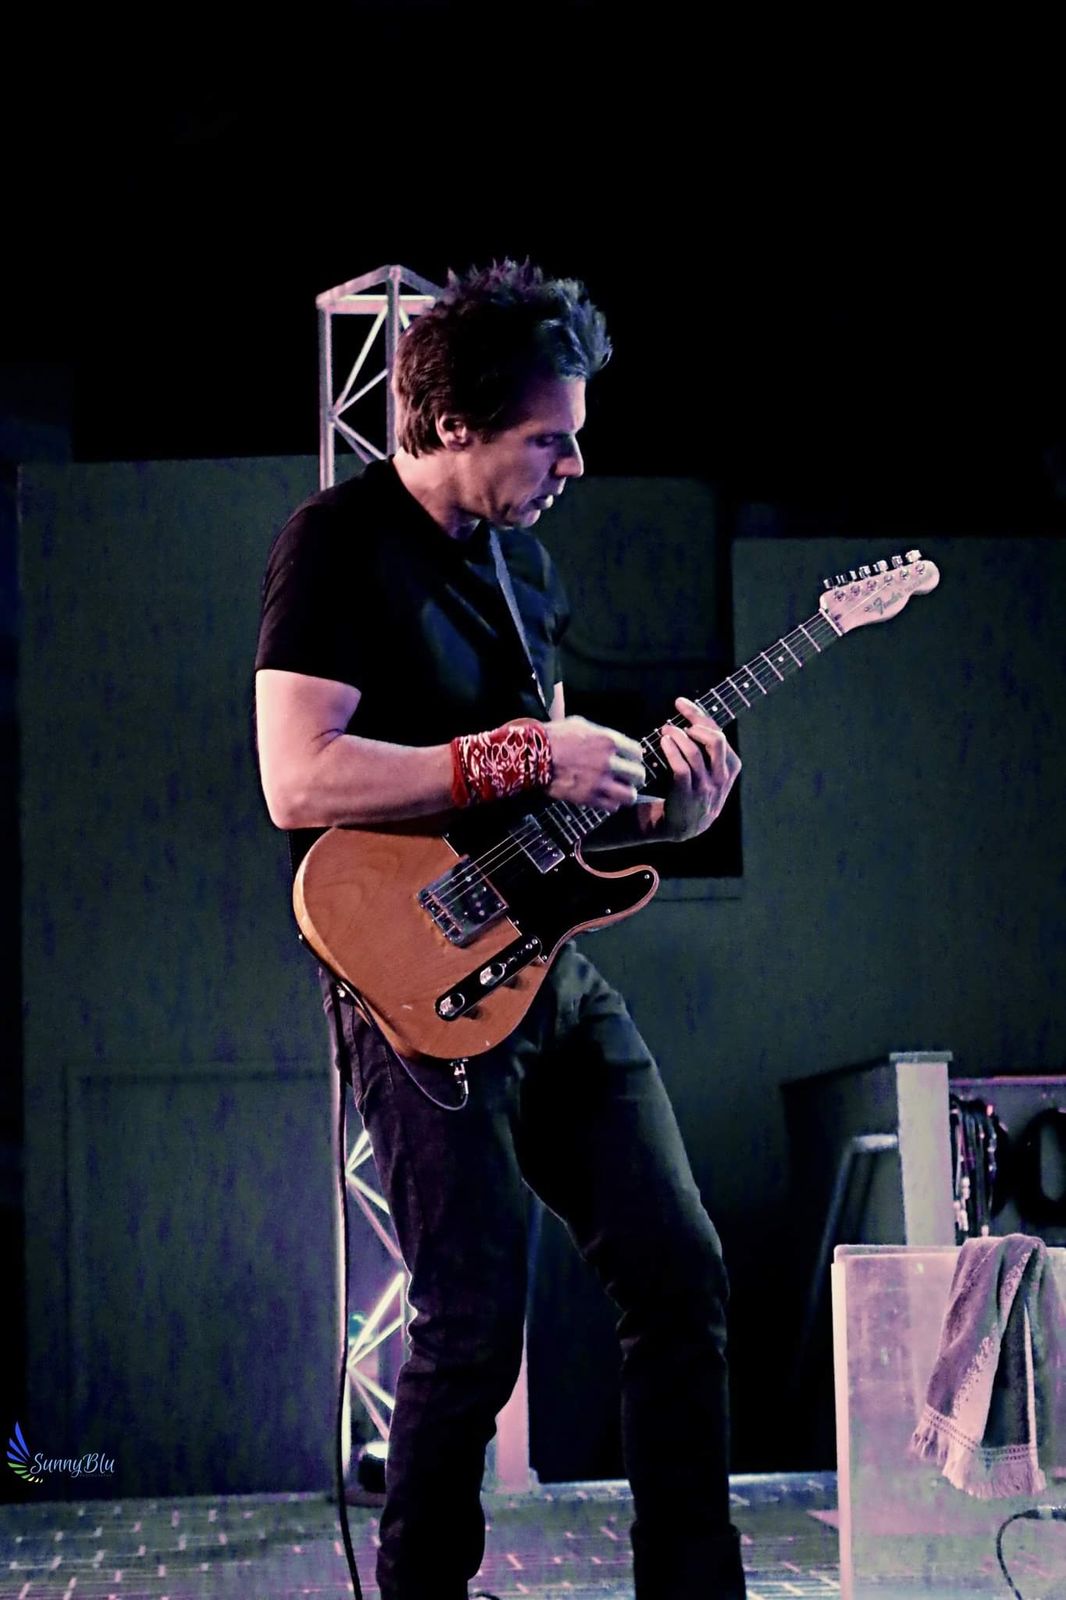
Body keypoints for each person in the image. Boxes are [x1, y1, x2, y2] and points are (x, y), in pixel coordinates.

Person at [254, 260, 746, 1600]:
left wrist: (667, 819)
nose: (575, 464)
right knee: (471, 1326)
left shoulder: (524, 571)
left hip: (548, 966)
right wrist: (521, 752)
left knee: (679, 1270)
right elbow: (298, 778)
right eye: (550, 438)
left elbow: (545, 822)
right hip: (415, 985)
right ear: (454, 422)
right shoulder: (337, 543)